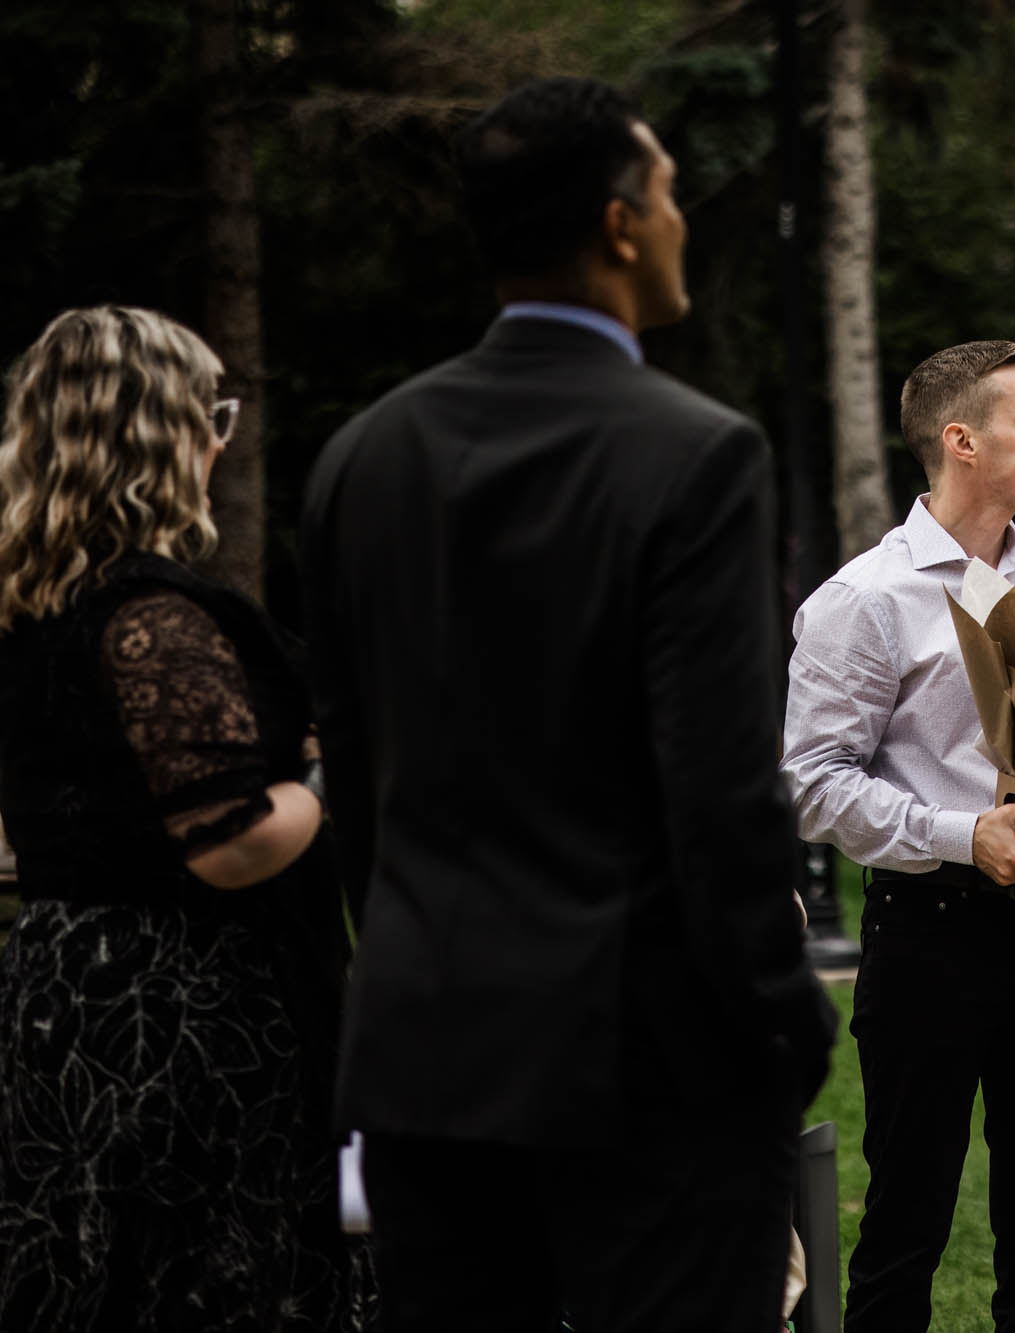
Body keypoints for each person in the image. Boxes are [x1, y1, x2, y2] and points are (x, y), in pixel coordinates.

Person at [299, 77, 835, 1333]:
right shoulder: (693, 452)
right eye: (670, 192)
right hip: (643, 1069)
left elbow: (361, 791)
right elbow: (717, 792)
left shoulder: (362, 456)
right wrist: (783, 1023)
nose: (682, 220)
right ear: (619, 225)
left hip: (426, 1057)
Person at [0, 306, 372, 1330]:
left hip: (65, 990)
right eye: (212, 416)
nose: (221, 443)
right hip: (179, 1018)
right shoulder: (151, 615)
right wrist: (325, 772)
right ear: (160, 437)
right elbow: (231, 839)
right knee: (199, 1282)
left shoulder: (34, 602)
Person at [782, 340, 1015, 1332]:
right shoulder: (864, 600)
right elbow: (811, 786)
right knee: (902, 1236)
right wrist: (966, 834)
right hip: (928, 937)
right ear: (962, 440)